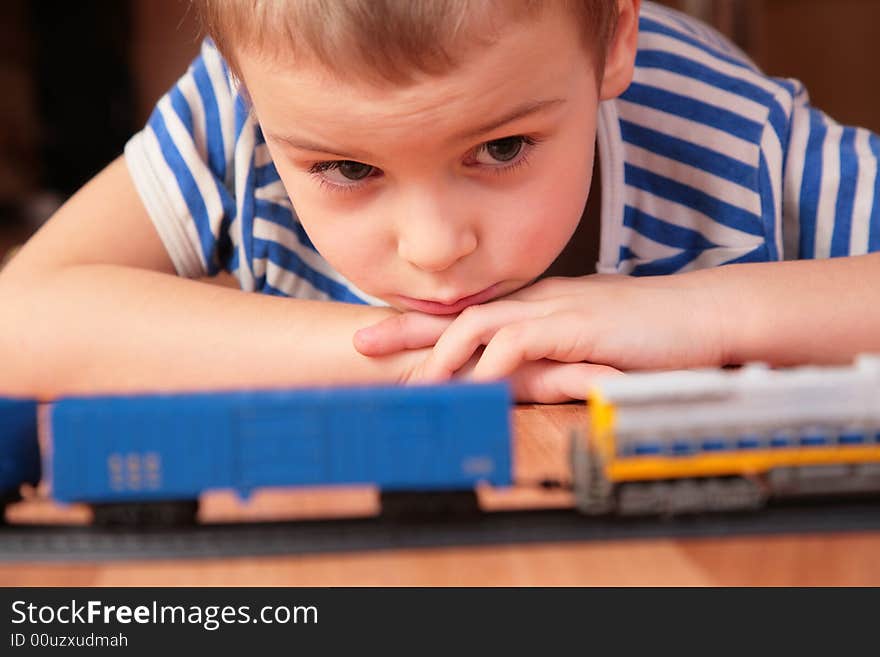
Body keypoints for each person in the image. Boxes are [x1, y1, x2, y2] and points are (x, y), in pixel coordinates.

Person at [1, 0, 878, 403]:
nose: (432, 248)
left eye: (500, 149)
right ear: (247, 92)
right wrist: (417, 361)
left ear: (614, 39)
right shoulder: (239, 114)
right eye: (347, 169)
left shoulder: (723, 131)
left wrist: (706, 313)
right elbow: (18, 325)